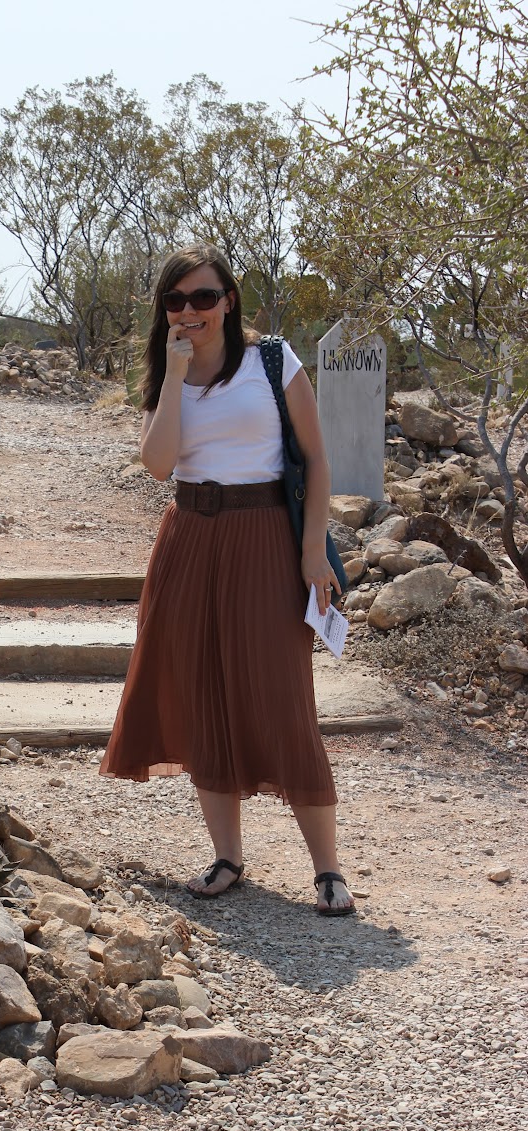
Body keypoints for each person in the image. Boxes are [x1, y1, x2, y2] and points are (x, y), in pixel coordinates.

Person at [100, 245, 355, 916]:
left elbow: (316, 457)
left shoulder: (272, 361)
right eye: (176, 301)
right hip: (188, 538)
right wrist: (178, 372)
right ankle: (226, 855)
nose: (190, 311)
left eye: (203, 298)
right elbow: (158, 465)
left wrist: (310, 552)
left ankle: (327, 869)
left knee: (280, 696)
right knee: (198, 689)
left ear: (228, 300)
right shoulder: (169, 376)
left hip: (264, 534)